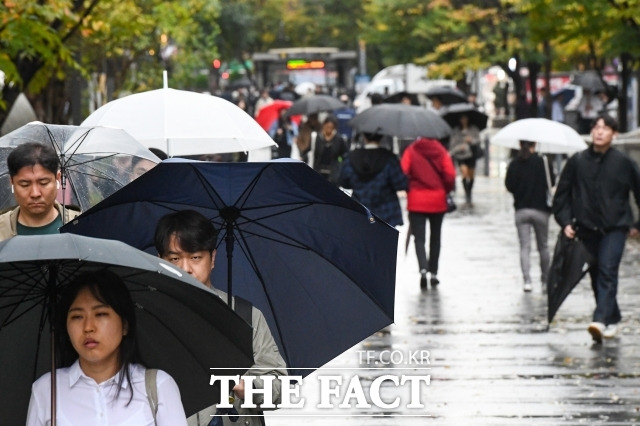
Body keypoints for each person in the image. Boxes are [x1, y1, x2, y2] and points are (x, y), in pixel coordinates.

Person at [154, 210, 287, 426]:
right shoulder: (146, 316)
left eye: (195, 257)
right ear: (160, 260)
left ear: (212, 258)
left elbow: (280, 387)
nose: (186, 268)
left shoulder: (245, 316)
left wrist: (245, 385)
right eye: (175, 258)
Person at [26, 270, 187, 425]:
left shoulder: (157, 387)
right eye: (77, 317)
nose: (88, 327)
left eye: (101, 314)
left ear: (124, 324)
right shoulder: (47, 390)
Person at [553, 113, 640, 342]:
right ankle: (613, 318)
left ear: (614, 134)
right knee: (595, 275)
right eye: (596, 127)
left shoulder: (623, 163)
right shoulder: (577, 161)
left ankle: (600, 319)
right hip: (586, 229)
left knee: (607, 272)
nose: (600, 132)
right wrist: (565, 222)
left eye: (605, 128)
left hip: (615, 228)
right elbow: (562, 196)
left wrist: (636, 224)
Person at [401, 137, 456, 289]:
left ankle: (423, 270)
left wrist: (410, 188)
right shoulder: (441, 151)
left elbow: (403, 172)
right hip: (437, 200)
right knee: (435, 237)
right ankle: (434, 273)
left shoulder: (411, 150)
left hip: (416, 200)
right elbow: (450, 175)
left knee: (419, 238)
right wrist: (445, 189)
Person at [0, 142, 80, 240]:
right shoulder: (2, 229)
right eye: (25, 185)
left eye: (43, 183)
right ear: (11, 182)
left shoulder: (81, 225)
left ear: (57, 178)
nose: (35, 193)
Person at [505, 140, 554, 292]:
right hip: (541, 210)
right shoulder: (543, 162)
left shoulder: (514, 163)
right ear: (535, 144)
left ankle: (527, 281)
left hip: (521, 210)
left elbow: (509, 185)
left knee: (524, 247)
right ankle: (545, 280)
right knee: (543, 247)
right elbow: (551, 182)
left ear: (519, 144)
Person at [338, 132, 408, 227]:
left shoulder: (351, 158)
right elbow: (400, 184)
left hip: (360, 211)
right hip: (386, 214)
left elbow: (344, 182)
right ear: (381, 136)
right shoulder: (389, 159)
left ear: (364, 136)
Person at [448, 113, 482, 206]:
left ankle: (469, 191)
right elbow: (453, 145)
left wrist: (471, 140)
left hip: (471, 154)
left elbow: (478, 140)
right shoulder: (456, 131)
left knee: (471, 174)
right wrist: (460, 147)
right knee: (464, 172)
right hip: (460, 155)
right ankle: (466, 192)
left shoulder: (473, 129)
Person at [312, 115, 349, 184]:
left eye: (331, 127)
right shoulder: (317, 137)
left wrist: (340, 162)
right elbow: (314, 154)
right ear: (324, 126)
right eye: (327, 127)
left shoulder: (339, 139)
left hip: (333, 172)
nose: (329, 129)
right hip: (318, 170)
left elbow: (344, 154)